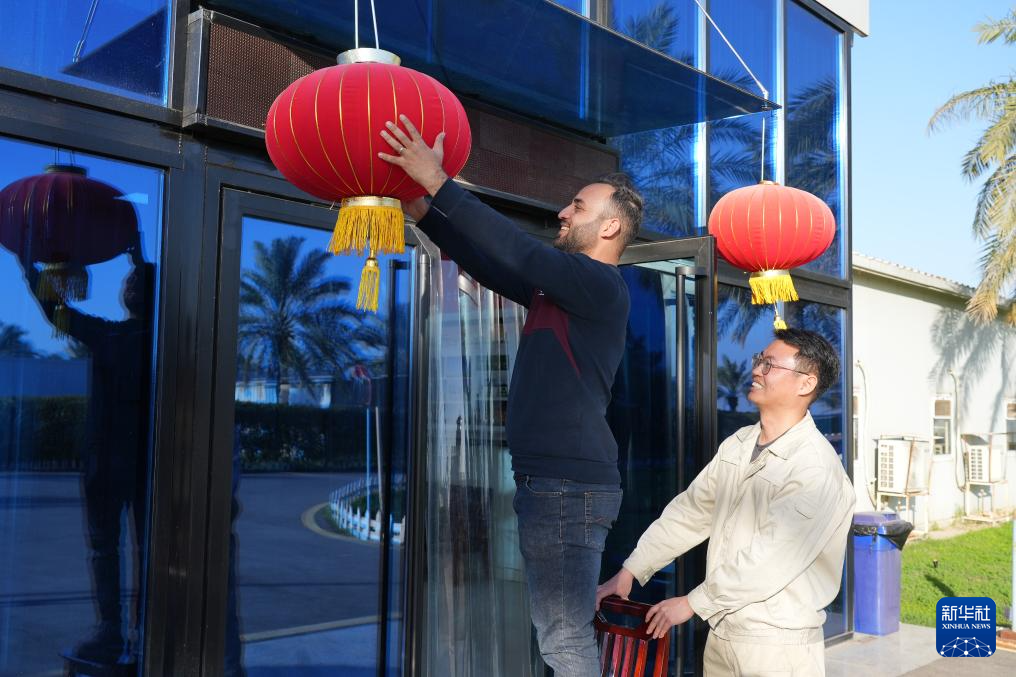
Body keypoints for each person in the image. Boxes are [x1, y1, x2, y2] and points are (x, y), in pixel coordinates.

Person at [379, 115, 643, 675]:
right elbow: (493, 264)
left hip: (566, 487)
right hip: (558, 485)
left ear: (611, 226)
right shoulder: (566, 291)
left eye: (577, 206)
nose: (563, 213)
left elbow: (520, 252)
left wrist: (438, 182)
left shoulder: (597, 284)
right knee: (561, 634)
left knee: (564, 639)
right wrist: (425, 211)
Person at [597, 328, 854, 676]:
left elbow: (770, 559)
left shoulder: (815, 468)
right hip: (722, 636)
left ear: (806, 383)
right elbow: (690, 513)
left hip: (777, 648)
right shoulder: (739, 444)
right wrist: (632, 569)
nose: (756, 369)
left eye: (770, 364)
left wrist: (693, 602)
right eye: (759, 360)